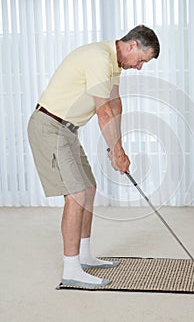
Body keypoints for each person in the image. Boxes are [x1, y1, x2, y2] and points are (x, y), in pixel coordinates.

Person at [28, 24, 160, 289]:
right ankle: (71, 270)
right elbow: (103, 113)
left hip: (67, 131)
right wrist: (118, 153)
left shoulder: (114, 64)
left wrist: (116, 148)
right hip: (49, 126)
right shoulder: (99, 58)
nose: (139, 67)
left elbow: (115, 104)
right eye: (142, 60)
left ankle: (85, 255)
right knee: (76, 194)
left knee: (88, 188)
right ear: (132, 45)